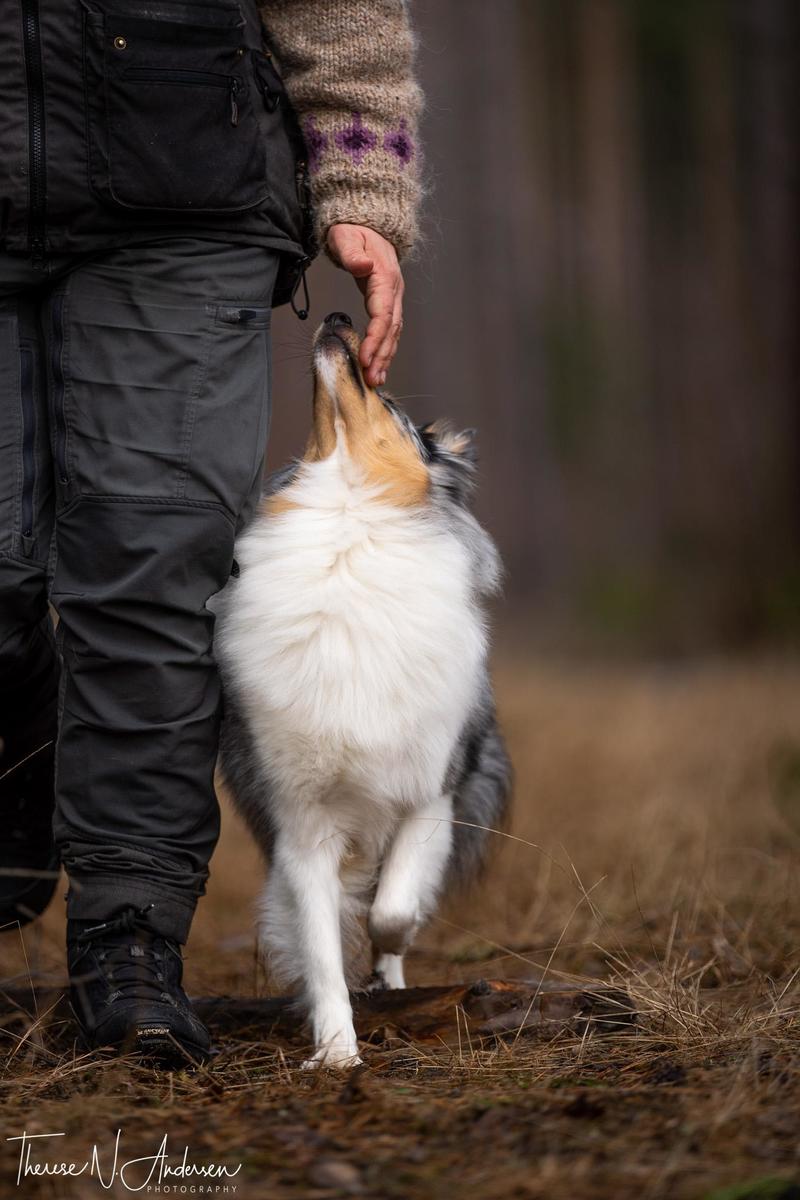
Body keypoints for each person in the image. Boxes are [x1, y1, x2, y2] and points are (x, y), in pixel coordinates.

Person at [0, 0, 421, 1064]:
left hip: (184, 177)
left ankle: (129, 937)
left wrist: (361, 175)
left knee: (153, 577)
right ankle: (20, 788)